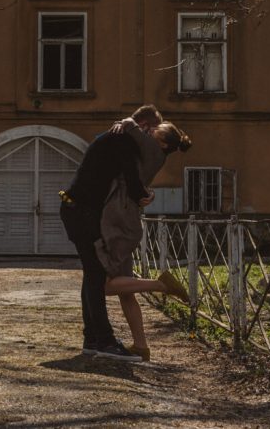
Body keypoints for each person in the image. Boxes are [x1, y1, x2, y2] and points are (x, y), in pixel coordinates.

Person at [58, 105, 163, 362]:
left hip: (76, 210)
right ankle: (103, 340)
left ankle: (92, 338)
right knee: (96, 275)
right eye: (151, 133)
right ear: (146, 127)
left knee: (92, 274)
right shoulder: (122, 139)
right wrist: (143, 196)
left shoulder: (114, 136)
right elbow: (130, 173)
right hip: (82, 212)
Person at [98, 121, 192, 361]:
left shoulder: (152, 149)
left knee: (105, 286)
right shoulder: (154, 152)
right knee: (125, 291)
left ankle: (161, 285)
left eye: (154, 131)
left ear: (162, 142)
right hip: (126, 217)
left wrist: (125, 122)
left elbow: (131, 126)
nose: (148, 131)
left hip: (119, 219)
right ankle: (141, 346)